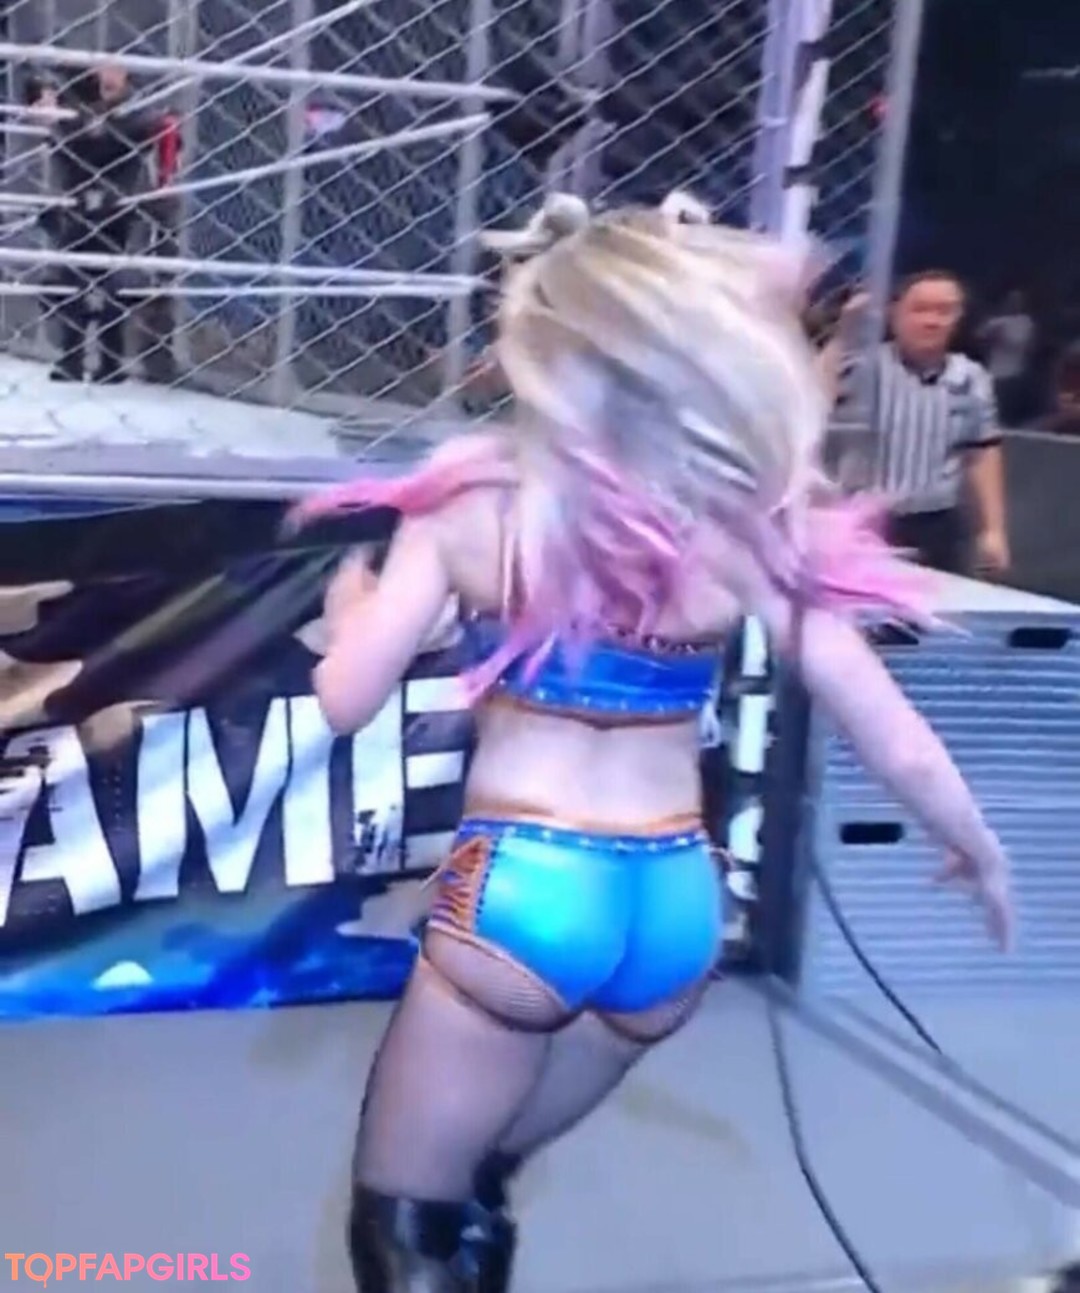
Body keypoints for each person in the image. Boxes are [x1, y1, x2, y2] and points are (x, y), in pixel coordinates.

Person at [292, 194, 1013, 1293]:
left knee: (406, 1221)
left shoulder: (470, 501)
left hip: (528, 885)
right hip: (675, 904)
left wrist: (353, 620)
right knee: (478, 1182)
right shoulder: (744, 522)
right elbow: (892, 732)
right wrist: (980, 849)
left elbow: (345, 700)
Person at [833, 272, 1010, 576]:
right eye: (920, 309)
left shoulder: (971, 377)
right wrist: (844, 334)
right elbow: (812, 392)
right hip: (864, 519)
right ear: (895, 313)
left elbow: (982, 451)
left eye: (944, 311)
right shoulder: (863, 365)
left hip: (938, 523)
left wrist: (994, 530)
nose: (932, 321)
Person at [30, 63, 168, 383]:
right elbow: (69, 149)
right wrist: (57, 121)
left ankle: (110, 361)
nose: (108, 75)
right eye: (104, 68)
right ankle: (72, 357)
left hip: (120, 204)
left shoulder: (138, 109)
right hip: (79, 203)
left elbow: (121, 142)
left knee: (114, 284)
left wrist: (77, 127)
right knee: (70, 278)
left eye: (115, 68)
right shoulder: (79, 106)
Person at [979, 290, 1035, 427]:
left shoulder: (1025, 322)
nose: (1015, 304)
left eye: (1018, 301)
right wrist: (991, 338)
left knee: (1011, 409)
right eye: (1012, 300)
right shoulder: (995, 322)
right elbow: (979, 337)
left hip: (1016, 373)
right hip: (996, 373)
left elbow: (1027, 344)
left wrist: (1004, 338)